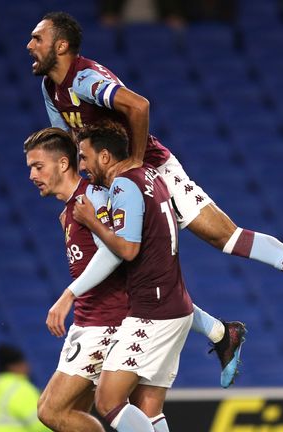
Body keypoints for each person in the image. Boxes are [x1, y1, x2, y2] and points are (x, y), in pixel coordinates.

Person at [26, 11, 283, 327]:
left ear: (62, 45)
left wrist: (137, 165)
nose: (30, 46)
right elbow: (70, 142)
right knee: (132, 266)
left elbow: (139, 105)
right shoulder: (50, 89)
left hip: (150, 167)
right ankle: (220, 333)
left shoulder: (84, 79)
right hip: (113, 177)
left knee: (225, 237)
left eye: (37, 39)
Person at [24, 127, 245, 431]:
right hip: (100, 318)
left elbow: (115, 253)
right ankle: (220, 331)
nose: (32, 176)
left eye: (38, 166)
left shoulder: (94, 197)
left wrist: (68, 296)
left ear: (63, 164)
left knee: (53, 411)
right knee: (142, 410)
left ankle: (220, 331)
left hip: (104, 322)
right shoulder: (74, 206)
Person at [66, 122, 193, 431]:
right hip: (176, 306)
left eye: (84, 157)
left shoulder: (124, 185)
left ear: (106, 157)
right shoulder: (151, 173)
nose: (81, 166)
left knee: (108, 400)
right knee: (148, 408)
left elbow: (129, 249)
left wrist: (92, 222)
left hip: (154, 311)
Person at [0, 344, 51, 432]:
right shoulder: (21, 388)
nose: (28, 367)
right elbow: (41, 425)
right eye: (24, 363)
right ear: (14, 366)